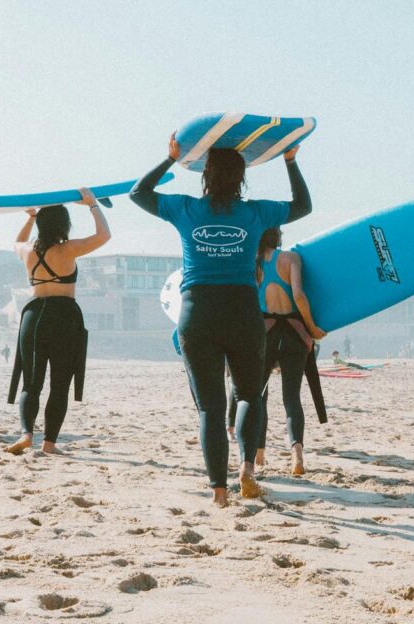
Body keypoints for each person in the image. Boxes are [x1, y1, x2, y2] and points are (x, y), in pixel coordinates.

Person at [130, 134, 311, 506]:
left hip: (197, 311)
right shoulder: (255, 213)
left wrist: (169, 159)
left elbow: (138, 193)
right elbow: (303, 206)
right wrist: (290, 160)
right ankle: (246, 469)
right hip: (243, 310)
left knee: (210, 407)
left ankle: (218, 491)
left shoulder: (184, 209)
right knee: (249, 394)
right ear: (242, 177)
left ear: (205, 175)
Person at [4, 189, 110, 456]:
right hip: (64, 316)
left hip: (33, 315)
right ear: (65, 226)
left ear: (41, 225)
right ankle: (49, 443)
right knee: (60, 383)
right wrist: (92, 205)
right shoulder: (69, 249)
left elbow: (16, 242)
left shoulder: (27, 250)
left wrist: (30, 218)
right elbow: (104, 236)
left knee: (31, 382)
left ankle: (26, 433)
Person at [249, 227, 325, 475]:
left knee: (258, 396)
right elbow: (299, 296)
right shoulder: (291, 259)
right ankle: (297, 459)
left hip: (265, 335)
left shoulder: (253, 263)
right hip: (294, 335)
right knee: (292, 398)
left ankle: (258, 456)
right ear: (278, 237)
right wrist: (311, 328)